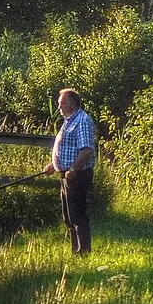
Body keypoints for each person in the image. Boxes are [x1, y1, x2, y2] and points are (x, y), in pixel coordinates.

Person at [42, 88, 97, 256]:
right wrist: (54, 165)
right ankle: (76, 251)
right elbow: (67, 148)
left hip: (77, 175)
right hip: (66, 174)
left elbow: (86, 150)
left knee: (78, 213)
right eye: (59, 104)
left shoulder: (82, 121)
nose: (59, 107)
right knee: (69, 216)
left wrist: (73, 168)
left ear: (72, 104)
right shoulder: (69, 120)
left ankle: (84, 251)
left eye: (62, 104)